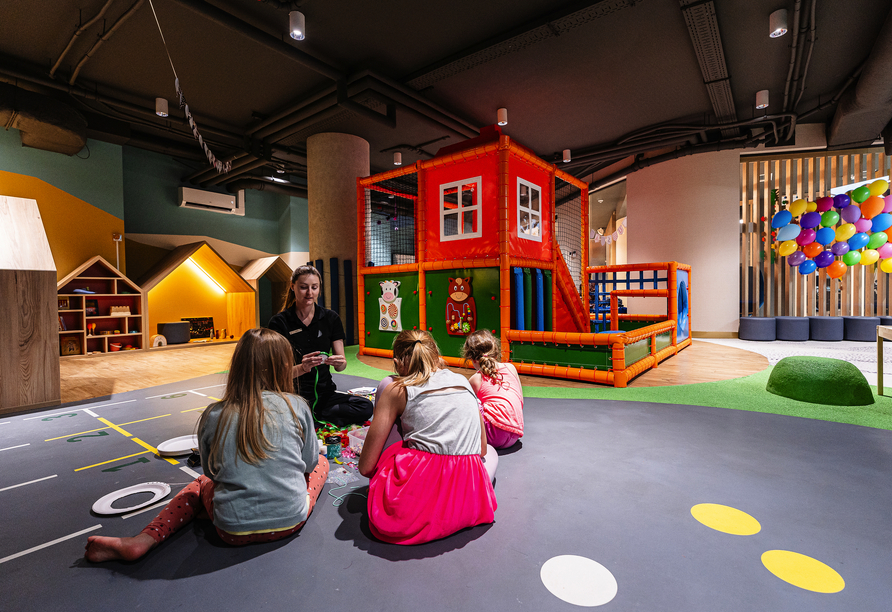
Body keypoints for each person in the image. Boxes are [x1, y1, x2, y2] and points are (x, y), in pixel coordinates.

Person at [84, 328, 329, 562]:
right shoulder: (297, 406)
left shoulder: (214, 414)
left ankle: (144, 539)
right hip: (290, 521)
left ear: (238, 367)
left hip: (230, 529)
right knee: (322, 463)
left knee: (200, 485)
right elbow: (309, 463)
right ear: (285, 368)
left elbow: (211, 473)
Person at [359, 330, 498, 545]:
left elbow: (366, 468)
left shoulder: (396, 388)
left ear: (397, 362)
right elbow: (481, 450)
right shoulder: (463, 381)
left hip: (416, 508)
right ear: (436, 356)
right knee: (492, 455)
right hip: (470, 502)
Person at [268, 265, 373, 428]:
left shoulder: (331, 318)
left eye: (314, 287)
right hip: (294, 394)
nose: (309, 293)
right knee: (273, 414)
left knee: (365, 407)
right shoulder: (279, 322)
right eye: (303, 287)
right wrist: (303, 368)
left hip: (325, 394)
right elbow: (279, 374)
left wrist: (339, 363)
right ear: (292, 286)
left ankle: (311, 417)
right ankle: (309, 416)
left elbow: (341, 365)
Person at [461, 330, 524, 449]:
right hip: (515, 432)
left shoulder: (476, 379)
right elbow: (521, 401)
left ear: (472, 359)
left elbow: (466, 411)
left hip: (493, 436)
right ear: (496, 354)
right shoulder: (511, 368)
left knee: (469, 402)